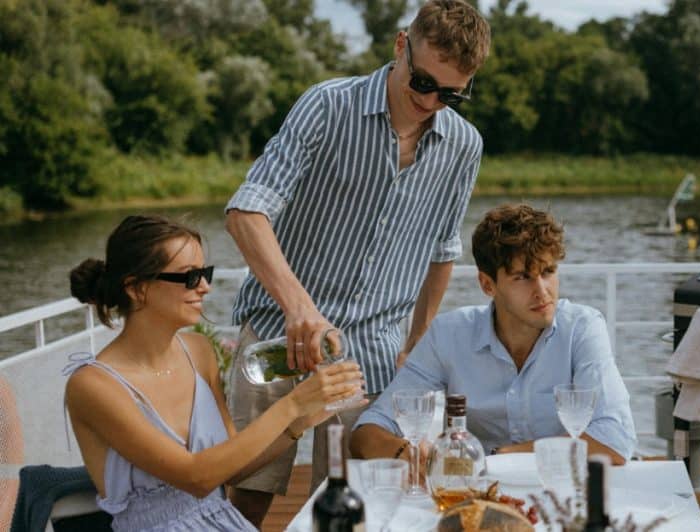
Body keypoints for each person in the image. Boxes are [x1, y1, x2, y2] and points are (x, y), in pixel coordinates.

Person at [223, 0, 491, 524]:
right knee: (249, 497)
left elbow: (442, 249)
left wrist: (417, 345)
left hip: (370, 354)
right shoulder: (326, 105)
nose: (431, 102)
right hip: (279, 336)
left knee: (354, 505)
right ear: (400, 45)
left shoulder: (464, 145)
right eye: (422, 83)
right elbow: (246, 212)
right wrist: (300, 308)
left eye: (450, 94)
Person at [63, 215, 364, 532]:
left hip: (224, 521)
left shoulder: (198, 350)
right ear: (137, 288)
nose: (205, 287)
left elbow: (231, 470)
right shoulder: (93, 385)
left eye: (204, 273)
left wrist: (299, 422)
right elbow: (196, 477)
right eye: (190, 277)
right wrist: (292, 404)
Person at [351, 204, 637, 465]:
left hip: (563, 485)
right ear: (487, 285)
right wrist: (404, 452)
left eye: (548, 271)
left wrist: (503, 456)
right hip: (480, 491)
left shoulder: (582, 328)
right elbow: (367, 432)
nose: (542, 291)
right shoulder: (449, 334)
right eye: (522, 277)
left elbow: (615, 438)